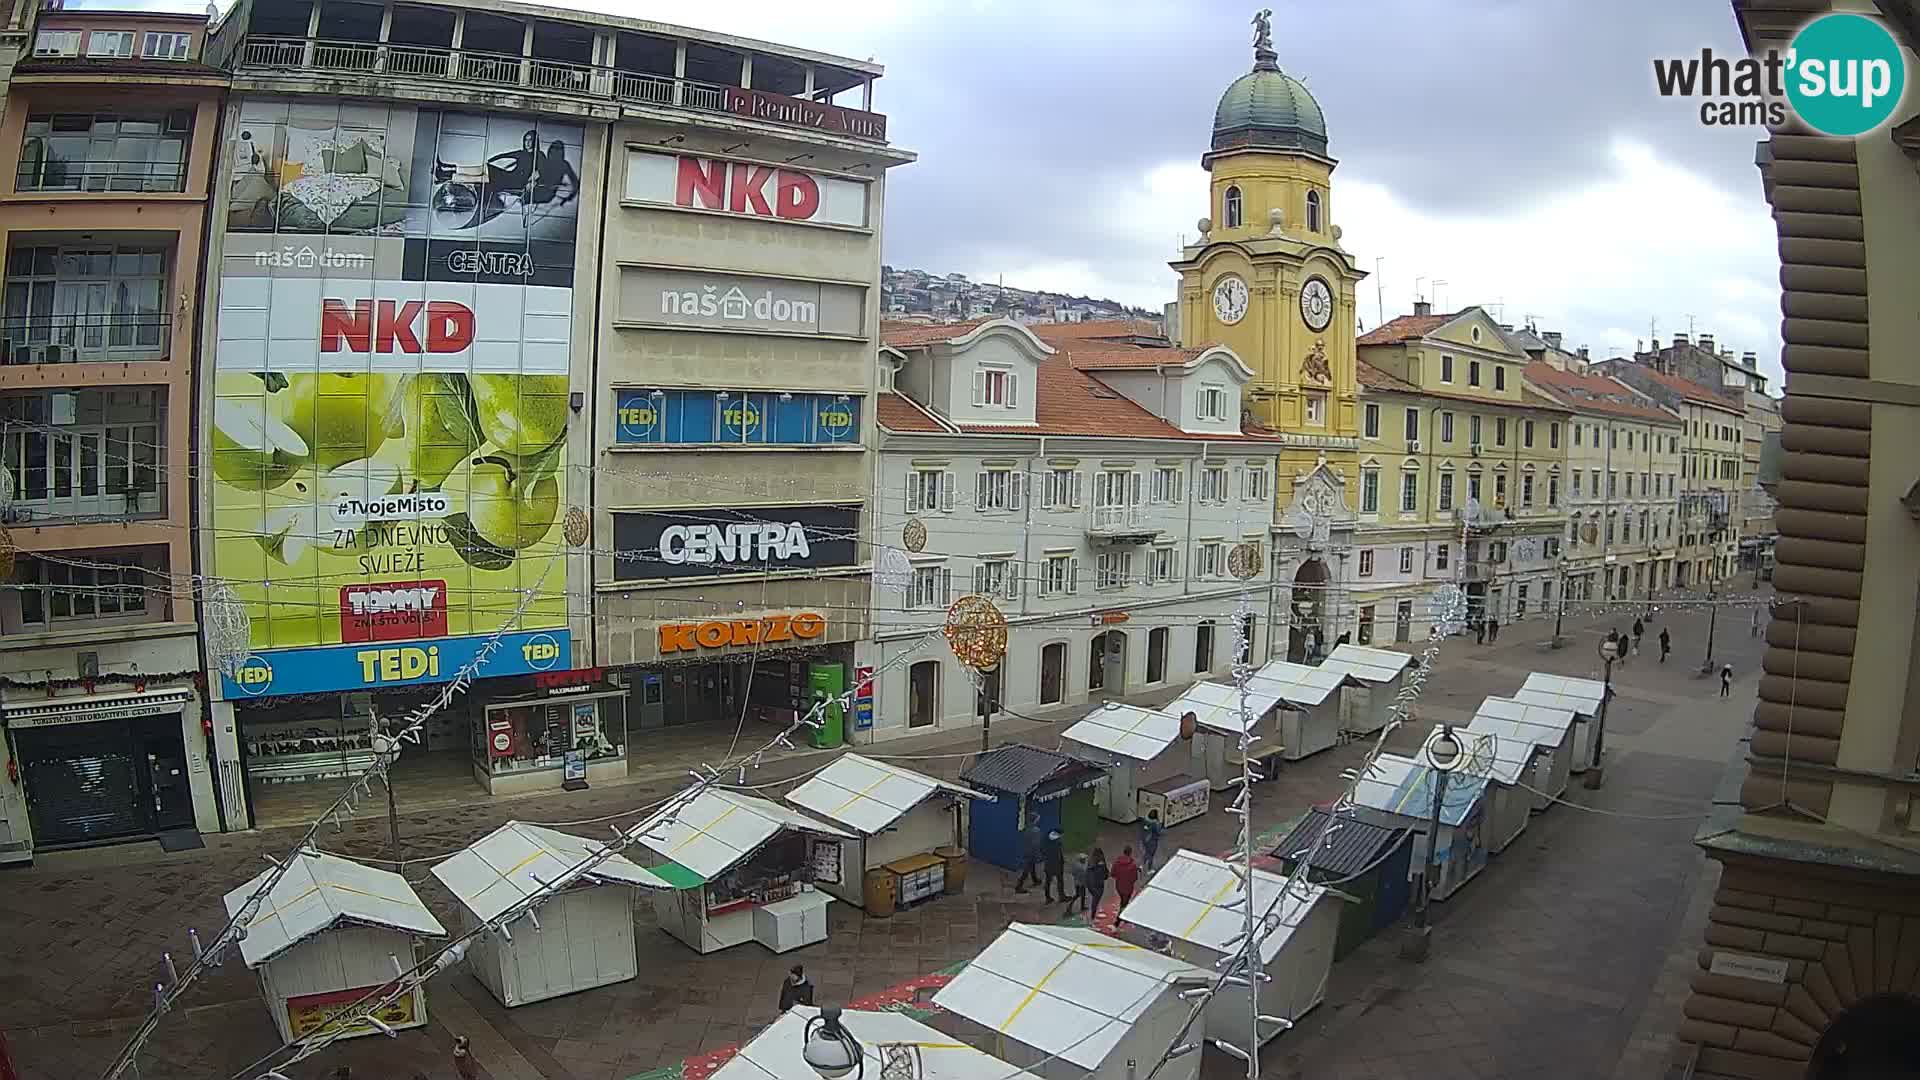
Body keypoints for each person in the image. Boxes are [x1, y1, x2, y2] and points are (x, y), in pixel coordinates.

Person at [1015, 821, 1043, 894]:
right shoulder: (1036, 830)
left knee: (1031, 866)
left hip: (1027, 851)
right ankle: (1019, 886)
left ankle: (1035, 880)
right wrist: (1038, 854)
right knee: (1026, 870)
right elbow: (1036, 844)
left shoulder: (1026, 828)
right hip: (1032, 852)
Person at [1111, 846, 1140, 913]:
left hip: (1119, 886)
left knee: (1122, 899)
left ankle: (1121, 913)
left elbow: (1112, 874)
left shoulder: (1116, 863)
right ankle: (1120, 916)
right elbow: (1135, 878)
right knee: (1125, 902)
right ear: (1130, 853)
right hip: (1128, 887)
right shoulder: (1133, 865)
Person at [1084, 847, 1110, 919]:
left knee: (1093, 899)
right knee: (1096, 899)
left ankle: (1092, 913)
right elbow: (1105, 873)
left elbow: (1088, 874)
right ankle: (1092, 914)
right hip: (1099, 884)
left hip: (1091, 884)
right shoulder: (1102, 862)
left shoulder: (1090, 862)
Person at [1041, 829, 1066, 903]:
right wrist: (1062, 861)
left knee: (1048, 881)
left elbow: (1042, 850)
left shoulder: (1046, 840)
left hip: (1048, 864)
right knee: (1060, 880)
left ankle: (1047, 897)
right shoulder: (1057, 842)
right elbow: (1058, 855)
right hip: (1057, 865)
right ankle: (1061, 896)